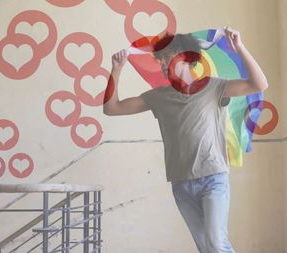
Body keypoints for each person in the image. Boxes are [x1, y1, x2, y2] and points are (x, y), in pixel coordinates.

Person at [103, 26, 268, 253]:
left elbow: (259, 84)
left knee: (216, 243)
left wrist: (239, 47)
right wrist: (116, 70)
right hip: (181, 183)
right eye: (159, 61)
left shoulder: (214, 87)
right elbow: (112, 109)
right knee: (205, 247)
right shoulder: (158, 97)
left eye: (167, 58)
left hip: (213, 177)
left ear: (187, 57)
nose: (162, 65)